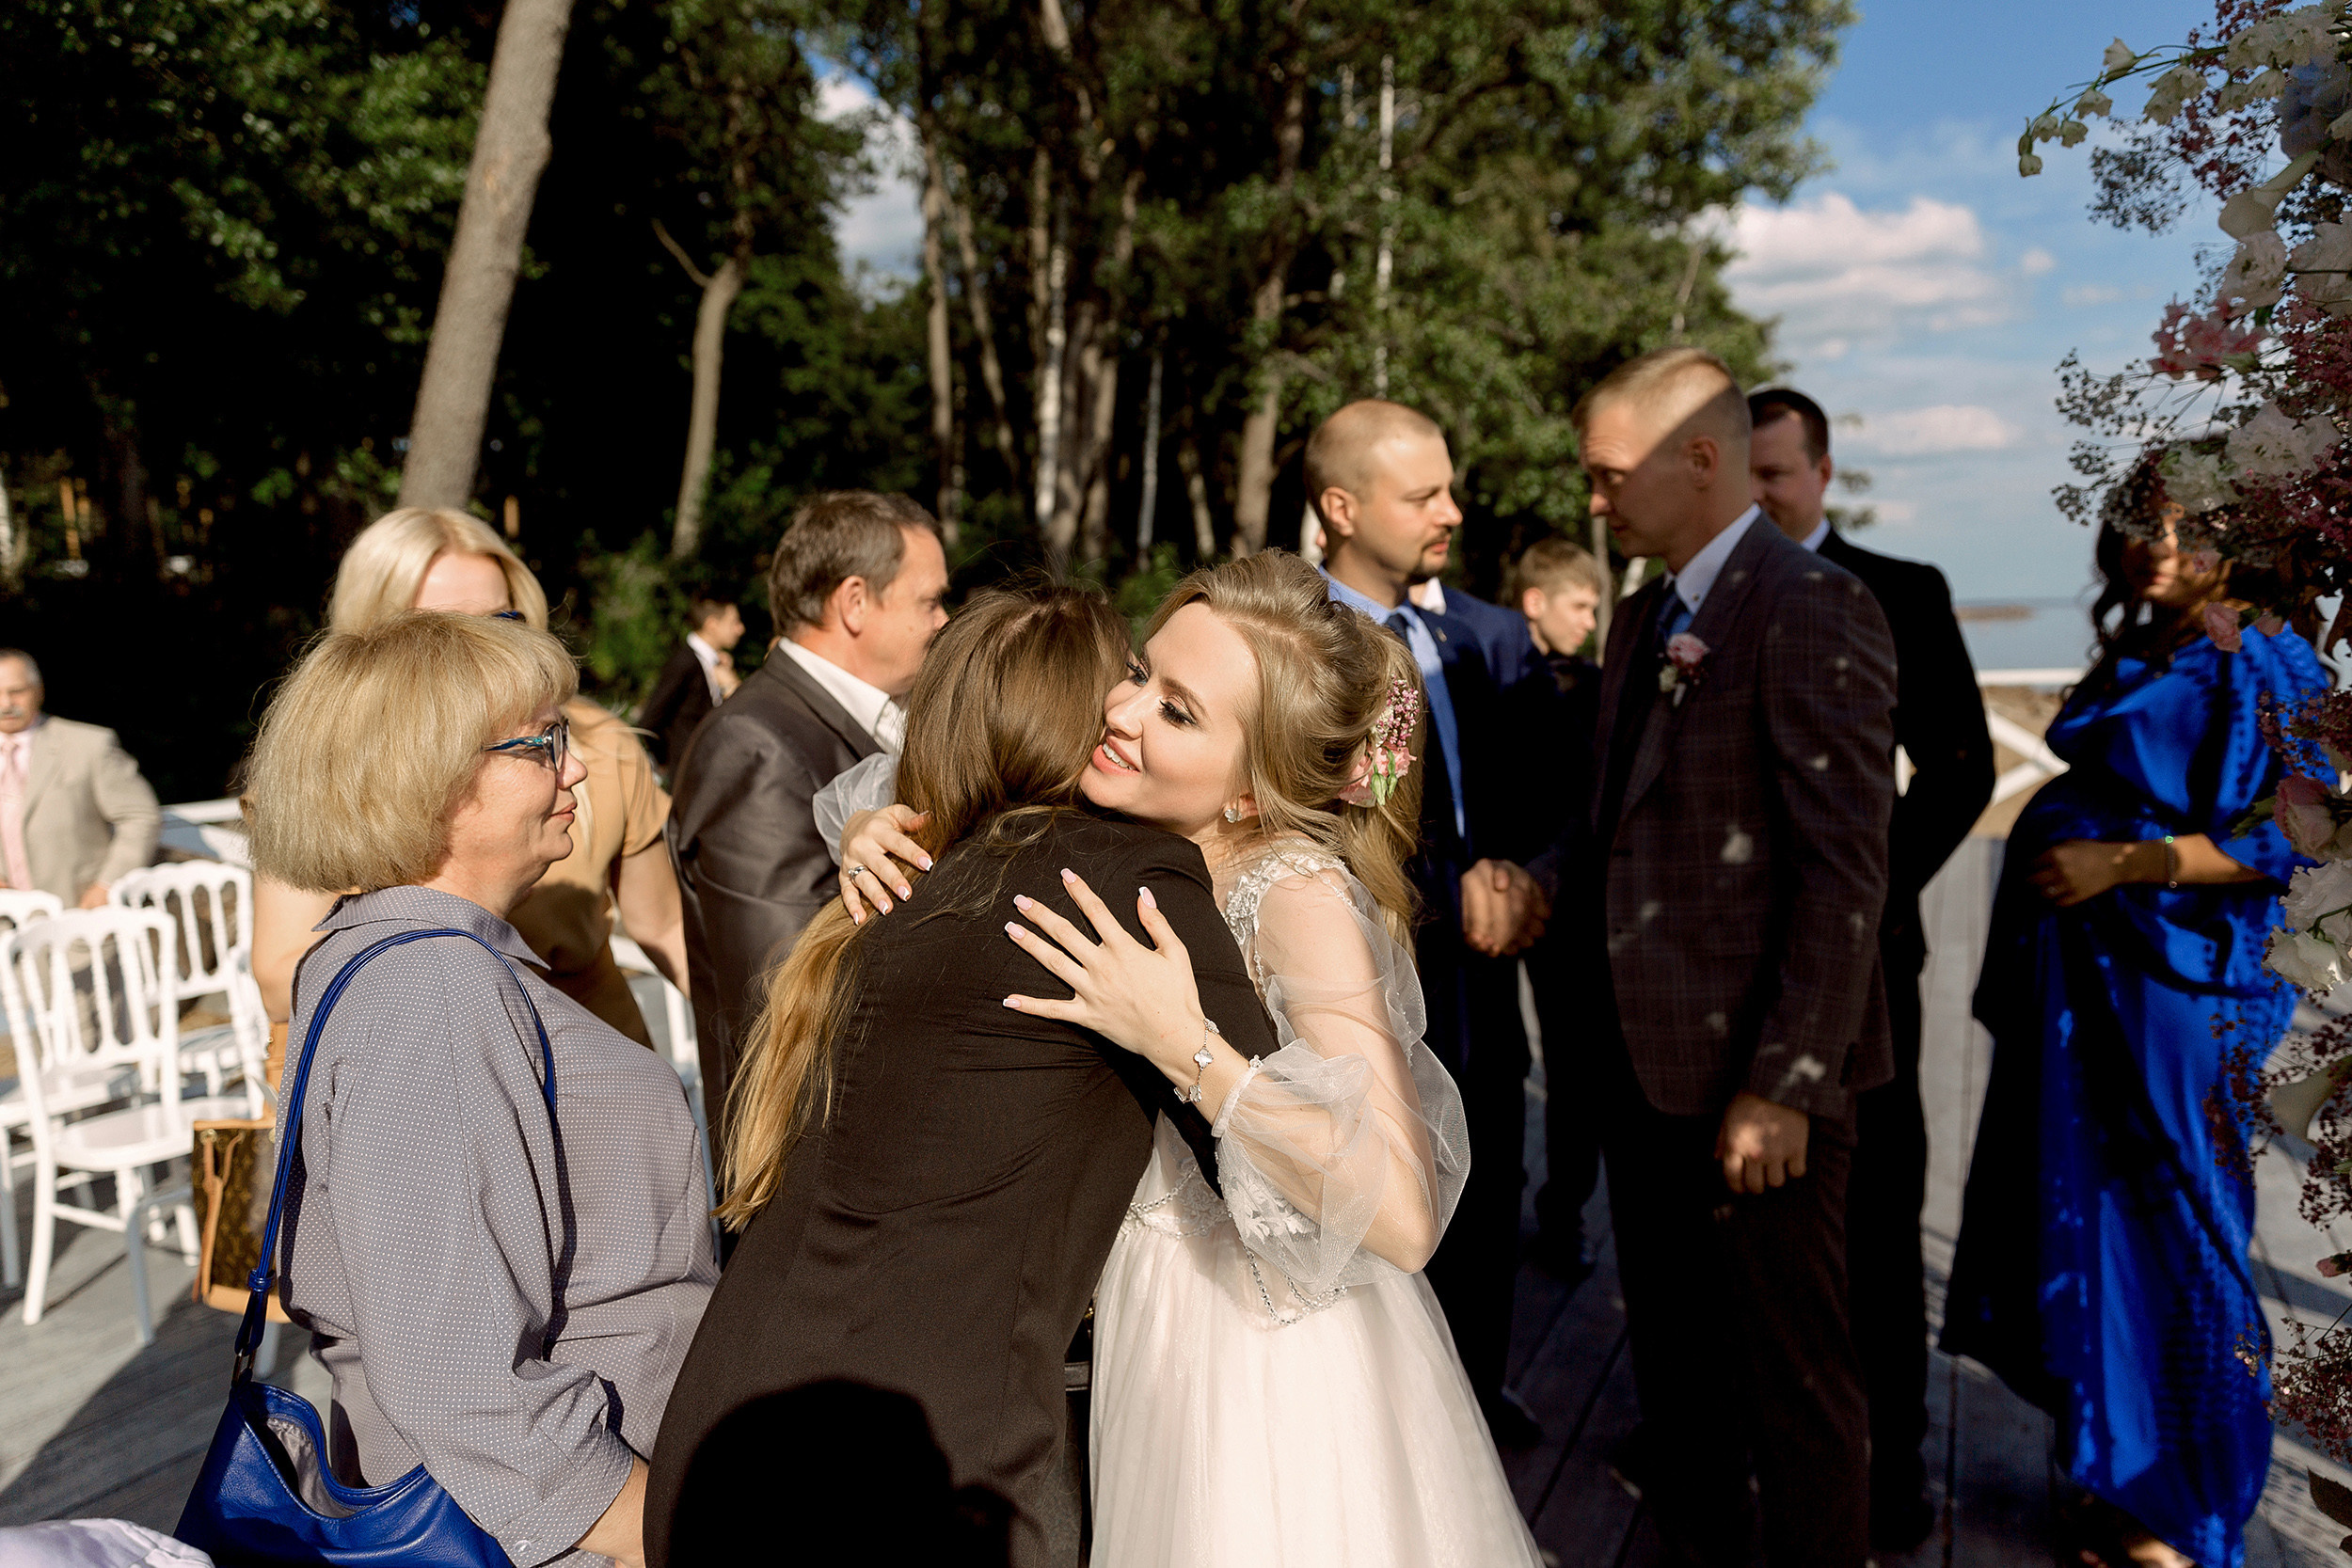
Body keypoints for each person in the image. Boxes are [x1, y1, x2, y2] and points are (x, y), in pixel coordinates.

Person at [644, 584, 1282, 1568]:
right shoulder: (1127, 876)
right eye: (1128, 678)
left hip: (725, 1447)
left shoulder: (907, 881)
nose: (1130, 709)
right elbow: (1282, 1176)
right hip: (915, 1484)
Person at [1006, 552, 1542, 1565]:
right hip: (1135, 1310)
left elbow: (1403, 1209)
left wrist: (1186, 1046)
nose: (1120, 711)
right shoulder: (1128, 828)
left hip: (1254, 1353)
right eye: (1139, 671)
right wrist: (868, 830)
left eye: (1177, 711)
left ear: (1252, 792)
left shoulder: (1293, 896)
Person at [242, 612, 717, 1568]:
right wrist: (657, 1529)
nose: (576, 769)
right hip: (572, 1532)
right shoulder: (432, 990)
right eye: (542, 743)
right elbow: (466, 1382)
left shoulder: (392, 955)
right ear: (429, 780)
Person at [1529, 346, 1898, 1568]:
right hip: (1643, 1072)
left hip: (1757, 1086)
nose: (1594, 499)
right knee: (1680, 1382)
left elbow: (1844, 872)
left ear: (1697, 457)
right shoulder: (1645, 617)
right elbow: (1607, 816)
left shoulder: (1812, 604)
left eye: (1607, 473)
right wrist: (1532, 882)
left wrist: (1786, 1081)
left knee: (1795, 1386)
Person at [1941, 478, 2328, 1568]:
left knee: (2182, 1230)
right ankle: (2118, 1476)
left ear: (2241, 538)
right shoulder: (2156, 640)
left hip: (2183, 988)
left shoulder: (2270, 657)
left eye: (2188, 527)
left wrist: (2127, 860)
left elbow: (2300, 832)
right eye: (2139, 523)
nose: (2155, 545)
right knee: (2095, 1215)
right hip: (2095, 978)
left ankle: (2188, 1504)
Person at [1748, 386, 1995, 1549]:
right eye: (1743, 475)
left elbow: (1962, 768)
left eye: (1777, 474)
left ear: (1822, 473)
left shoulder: (1901, 589)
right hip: (1720, 974)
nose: (1760, 495)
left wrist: (1861, 896)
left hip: (1867, 964)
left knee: (1878, 1222)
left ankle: (1892, 1466)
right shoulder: (1691, 600)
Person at [1305, 398, 1555, 1446]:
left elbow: (1548, 794)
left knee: (1488, 1188)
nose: (1451, 511)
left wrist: (1529, 878)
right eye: (1424, 495)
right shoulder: (1286, 641)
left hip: (1486, 981)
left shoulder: (1479, 638)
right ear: (1341, 507)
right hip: (1351, 989)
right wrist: (1456, 894)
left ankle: (1475, 1406)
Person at [249, 508, 691, 1047]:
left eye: (501, 621)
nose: (482, 648)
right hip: (414, 1061)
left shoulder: (598, 746)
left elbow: (666, 925)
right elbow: (282, 979)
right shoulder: (323, 769)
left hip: (596, 1056)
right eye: (444, 630)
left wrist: (768, 1038)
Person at [667, 490, 948, 1172]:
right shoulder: (756, 742)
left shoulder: (874, 718)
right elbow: (782, 992)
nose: (945, 620)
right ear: (854, 602)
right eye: (930, 601)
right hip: (815, 1164)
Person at [1501, 538, 1611, 1283]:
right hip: (1487, 893)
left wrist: (1551, 871)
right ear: (1536, 601)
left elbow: (1599, 792)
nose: (1590, 622)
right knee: (1497, 1055)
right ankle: (1491, 1198)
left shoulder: (1599, 686)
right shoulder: (1486, 673)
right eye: (1581, 605)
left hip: (1571, 899)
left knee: (1576, 1066)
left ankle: (1565, 1208)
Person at [0, 649, 160, 908]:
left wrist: (108, 885)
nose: (6, 704)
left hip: (78, 913)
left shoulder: (89, 745)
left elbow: (141, 815)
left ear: (38, 691)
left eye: (16, 691)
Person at [638, 595, 745, 772]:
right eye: (734, 622)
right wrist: (671, 763)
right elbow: (651, 720)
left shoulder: (718, 664)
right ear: (712, 624)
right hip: (689, 773)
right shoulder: (684, 663)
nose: (740, 629)